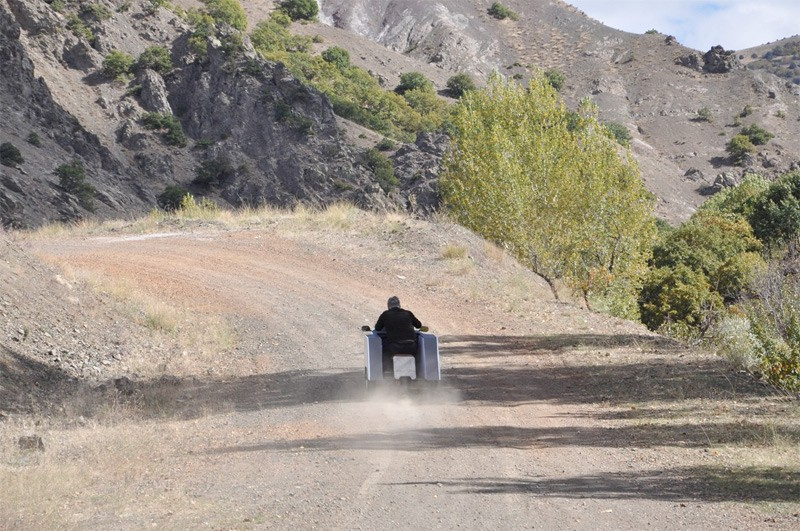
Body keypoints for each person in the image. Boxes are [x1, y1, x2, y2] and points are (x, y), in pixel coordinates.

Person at [374, 296, 422, 375]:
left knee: (382, 349)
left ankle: (387, 371)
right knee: (418, 352)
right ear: (399, 305)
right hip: (411, 347)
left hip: (394, 347)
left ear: (388, 306)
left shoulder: (385, 314)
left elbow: (377, 328)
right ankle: (418, 372)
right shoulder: (408, 313)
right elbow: (419, 325)